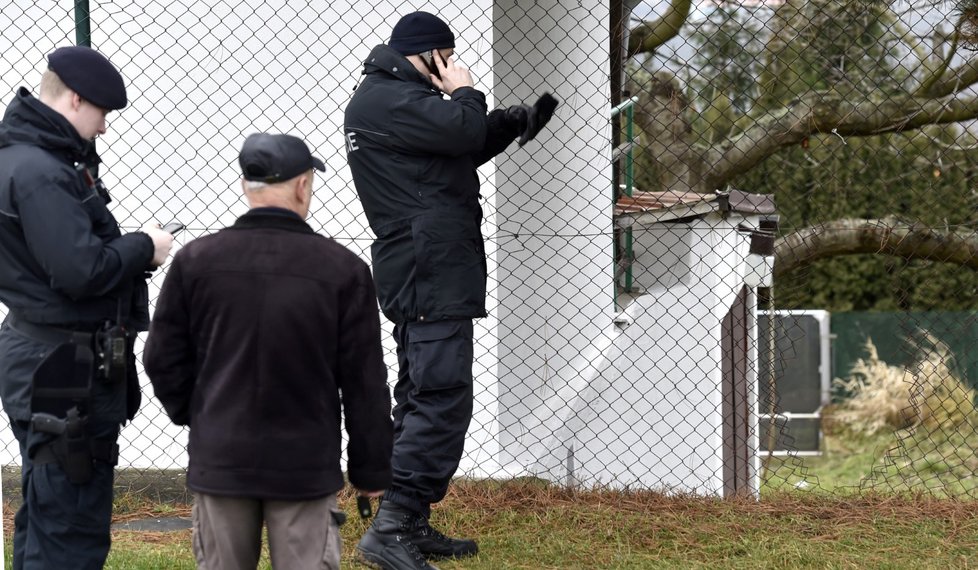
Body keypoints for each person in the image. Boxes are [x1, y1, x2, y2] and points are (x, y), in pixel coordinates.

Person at [344, 10, 558, 570]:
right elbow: (461, 129)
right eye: (447, 58)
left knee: (421, 390)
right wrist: (467, 91)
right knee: (440, 393)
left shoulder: (391, 99)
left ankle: (406, 518)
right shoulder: (389, 98)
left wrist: (512, 122)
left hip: (425, 262)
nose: (451, 67)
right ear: (433, 56)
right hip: (428, 263)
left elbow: (455, 148)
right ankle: (393, 526)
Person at [143, 132, 394, 570]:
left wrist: (201, 413)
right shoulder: (343, 270)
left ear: (246, 185)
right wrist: (370, 469)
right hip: (303, 464)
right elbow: (364, 382)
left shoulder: (196, 261)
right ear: (303, 185)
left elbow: (162, 357)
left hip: (222, 458)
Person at [0, 45, 175, 569]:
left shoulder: (19, 157)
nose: (104, 127)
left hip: (41, 353)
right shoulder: (41, 171)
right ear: (76, 99)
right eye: (102, 113)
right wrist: (144, 247)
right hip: (64, 366)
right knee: (70, 524)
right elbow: (78, 272)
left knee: (47, 507)